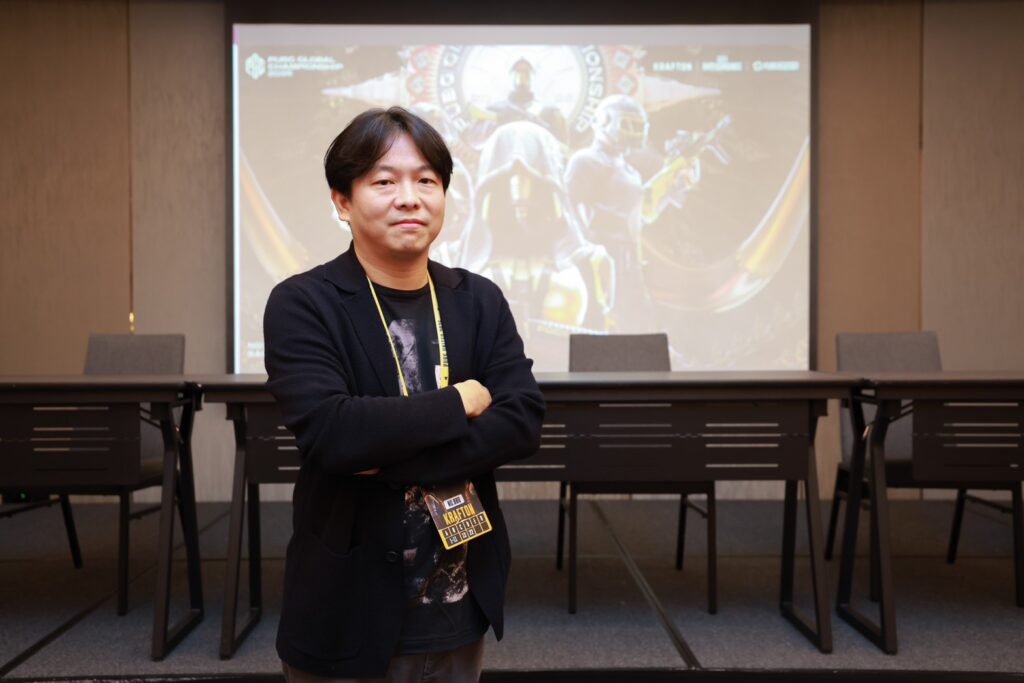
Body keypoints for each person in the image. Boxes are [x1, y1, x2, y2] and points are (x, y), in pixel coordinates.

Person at [263, 106, 545, 682]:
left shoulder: (478, 300)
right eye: (385, 181)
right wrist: (460, 402)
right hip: (347, 609)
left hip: (460, 609)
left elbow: (522, 420)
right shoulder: (303, 303)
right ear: (342, 201)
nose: (410, 198)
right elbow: (335, 433)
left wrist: (384, 458)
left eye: (427, 181)